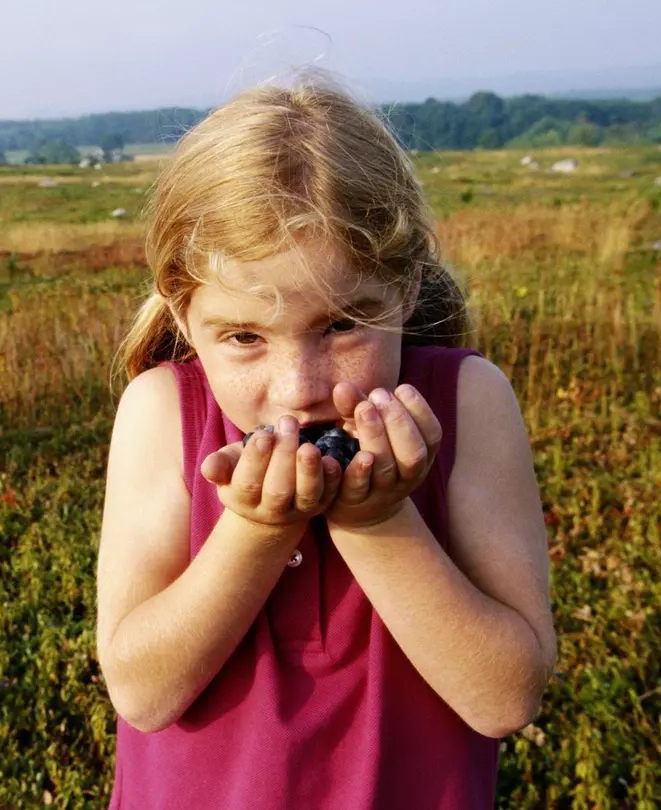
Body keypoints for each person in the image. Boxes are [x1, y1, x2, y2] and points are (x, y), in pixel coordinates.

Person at [95, 79, 557, 809]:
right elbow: (142, 693)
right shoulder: (161, 411)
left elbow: (504, 698)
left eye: (342, 325)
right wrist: (255, 529)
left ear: (404, 288)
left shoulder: (470, 402)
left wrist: (377, 521)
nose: (297, 387)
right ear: (185, 315)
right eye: (244, 337)